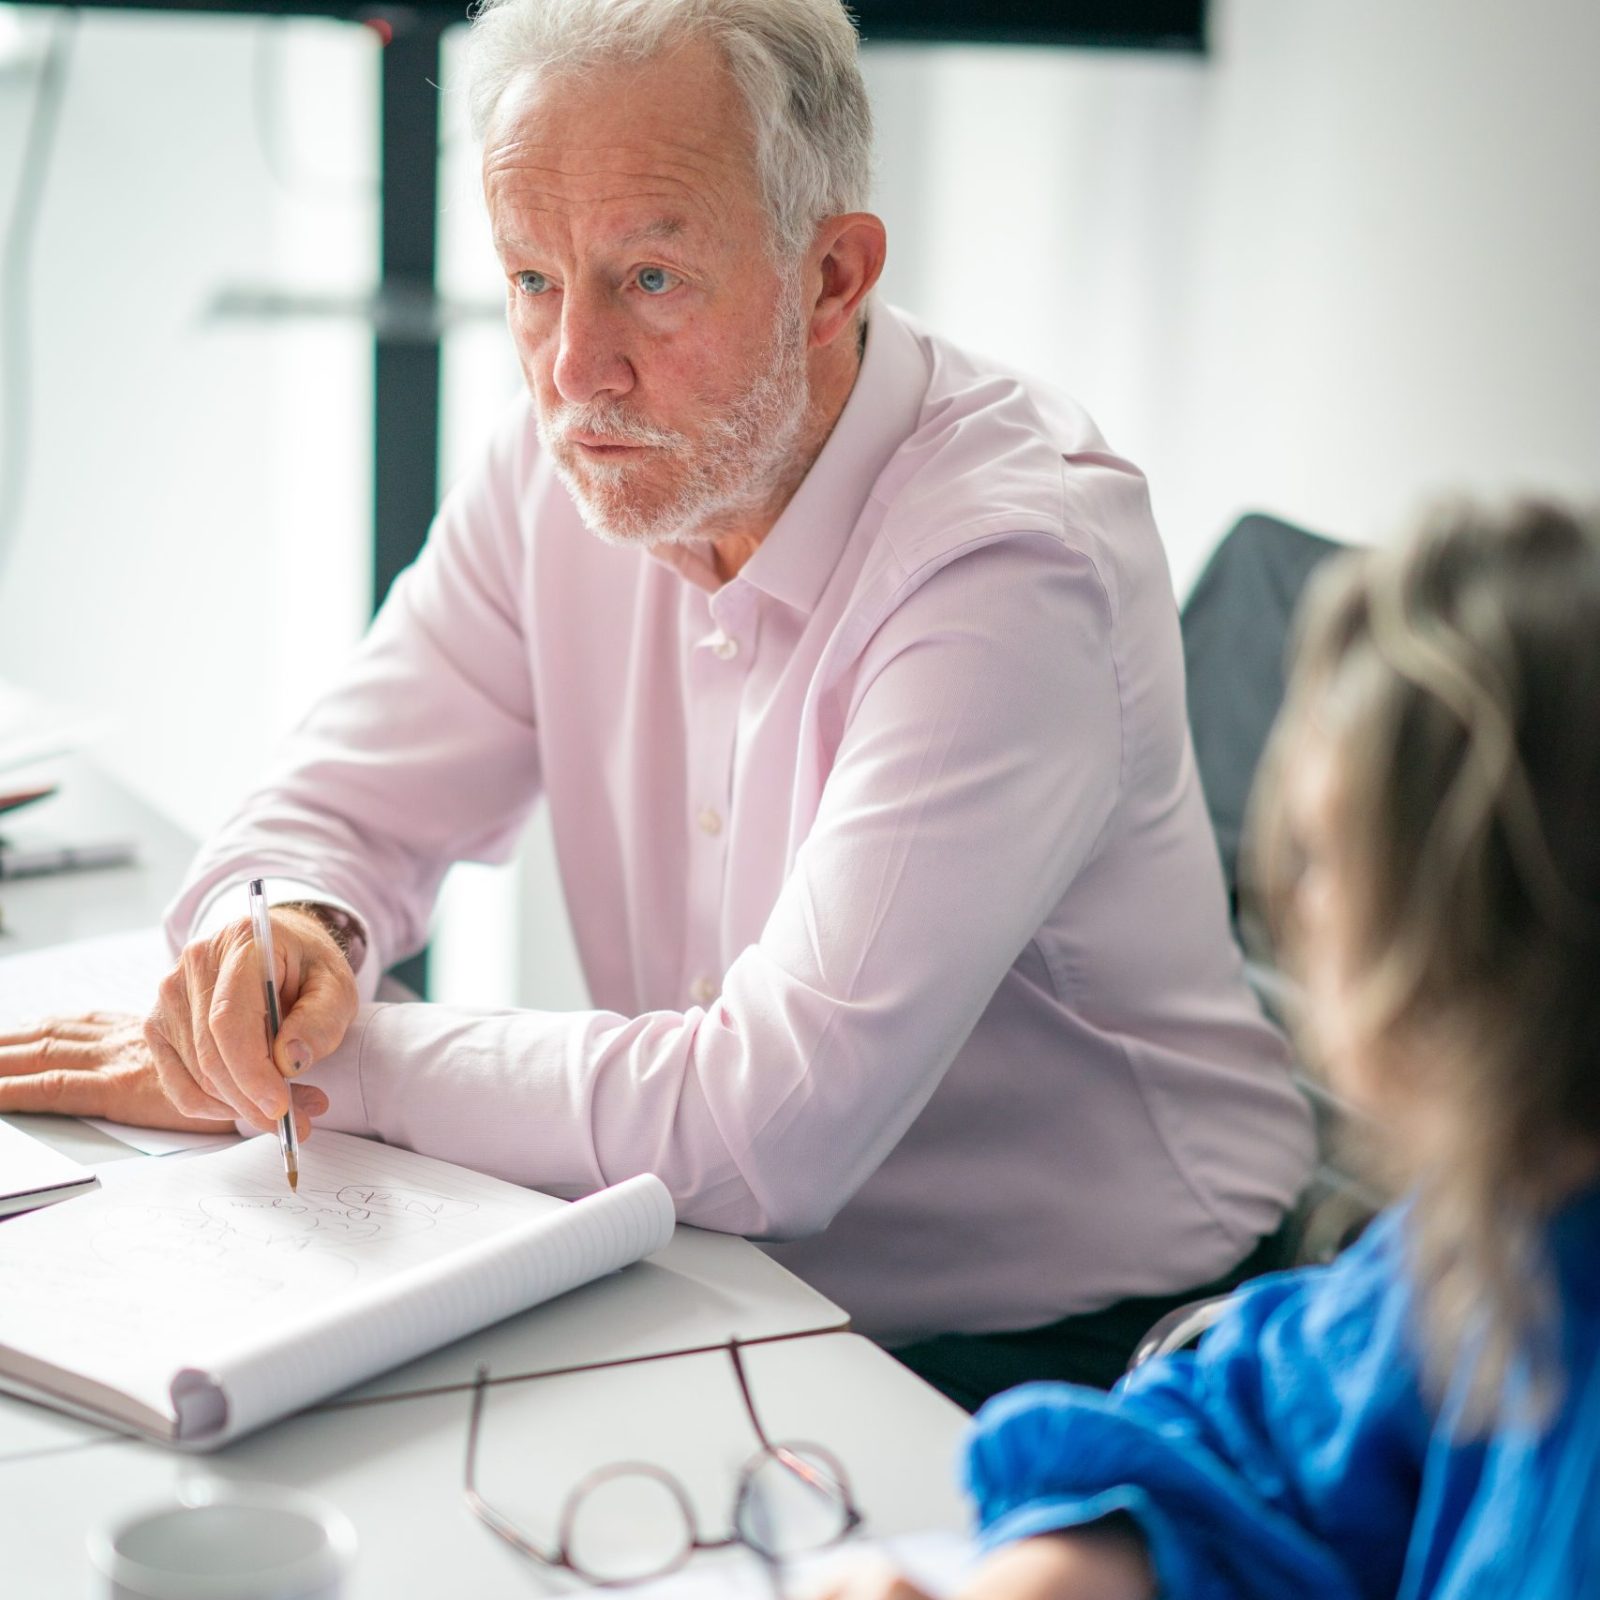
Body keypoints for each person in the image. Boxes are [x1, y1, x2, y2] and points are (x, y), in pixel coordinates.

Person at [0, 0, 1312, 1403]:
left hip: (1105, 1345)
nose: (574, 372)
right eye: (532, 281)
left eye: (649, 278)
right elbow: (331, 806)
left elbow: (765, 1127)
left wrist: (335, 1063)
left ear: (831, 277)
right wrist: (278, 942)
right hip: (732, 1273)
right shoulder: (563, 463)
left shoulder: (1013, 563)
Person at [823, 500, 1600, 1597]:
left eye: (1325, 857)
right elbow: (1249, 1424)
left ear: (1472, 926)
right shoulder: (1486, 1241)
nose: (1287, 912)